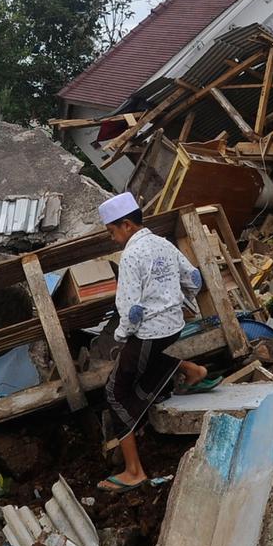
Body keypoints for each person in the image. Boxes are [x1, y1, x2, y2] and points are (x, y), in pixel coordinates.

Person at [98, 192, 219, 492]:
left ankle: (134, 470)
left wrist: (120, 335)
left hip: (149, 331)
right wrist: (180, 301)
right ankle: (193, 371)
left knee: (115, 392)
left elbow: (129, 309)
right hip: (174, 326)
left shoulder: (131, 255)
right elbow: (192, 278)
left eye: (113, 232)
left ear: (126, 225)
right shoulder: (163, 244)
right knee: (154, 358)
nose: (113, 239)